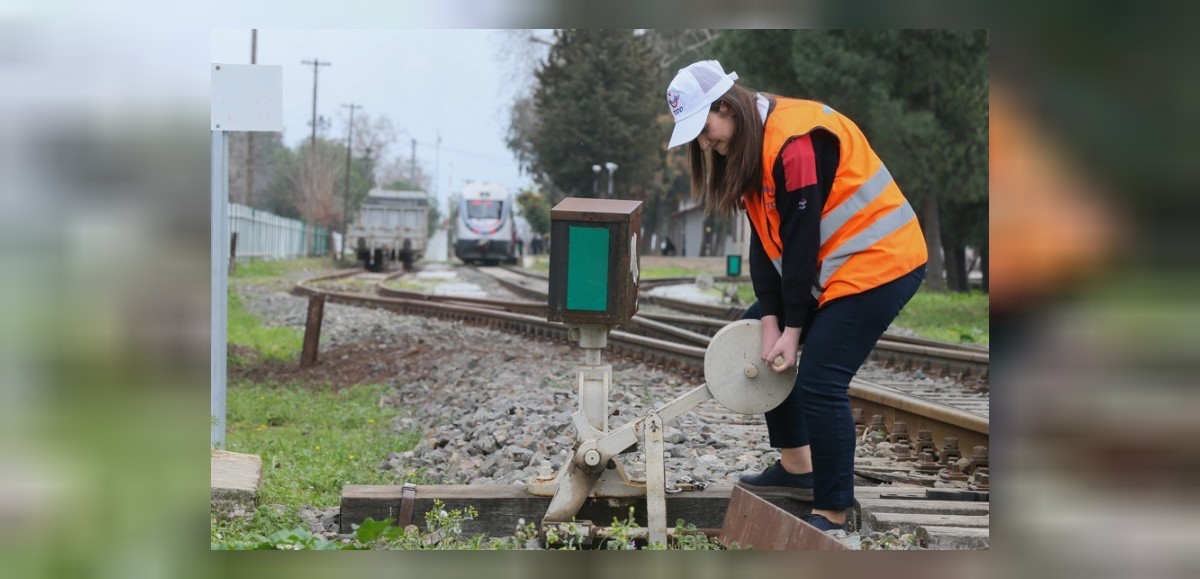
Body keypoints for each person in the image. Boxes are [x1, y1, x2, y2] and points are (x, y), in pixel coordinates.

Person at [665, 60, 928, 532]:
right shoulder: (751, 146)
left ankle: (832, 510)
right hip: (836, 267)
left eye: (704, 130)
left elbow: (801, 241)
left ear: (727, 107)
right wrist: (770, 322)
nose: (704, 144)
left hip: (882, 262)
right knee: (756, 342)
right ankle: (798, 467)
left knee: (821, 381)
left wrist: (792, 328)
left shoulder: (795, 142)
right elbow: (766, 244)